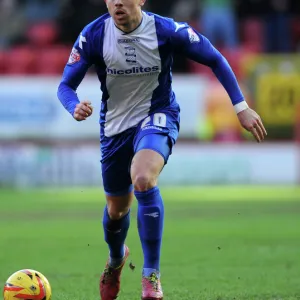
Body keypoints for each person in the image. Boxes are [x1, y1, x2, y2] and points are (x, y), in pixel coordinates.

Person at [57, 0, 267, 299]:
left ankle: (151, 274)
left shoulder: (166, 30)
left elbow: (216, 59)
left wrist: (241, 107)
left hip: (158, 115)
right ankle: (116, 259)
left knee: (143, 178)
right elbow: (65, 85)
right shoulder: (93, 35)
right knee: (117, 211)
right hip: (115, 129)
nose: (117, 2)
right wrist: (73, 106)